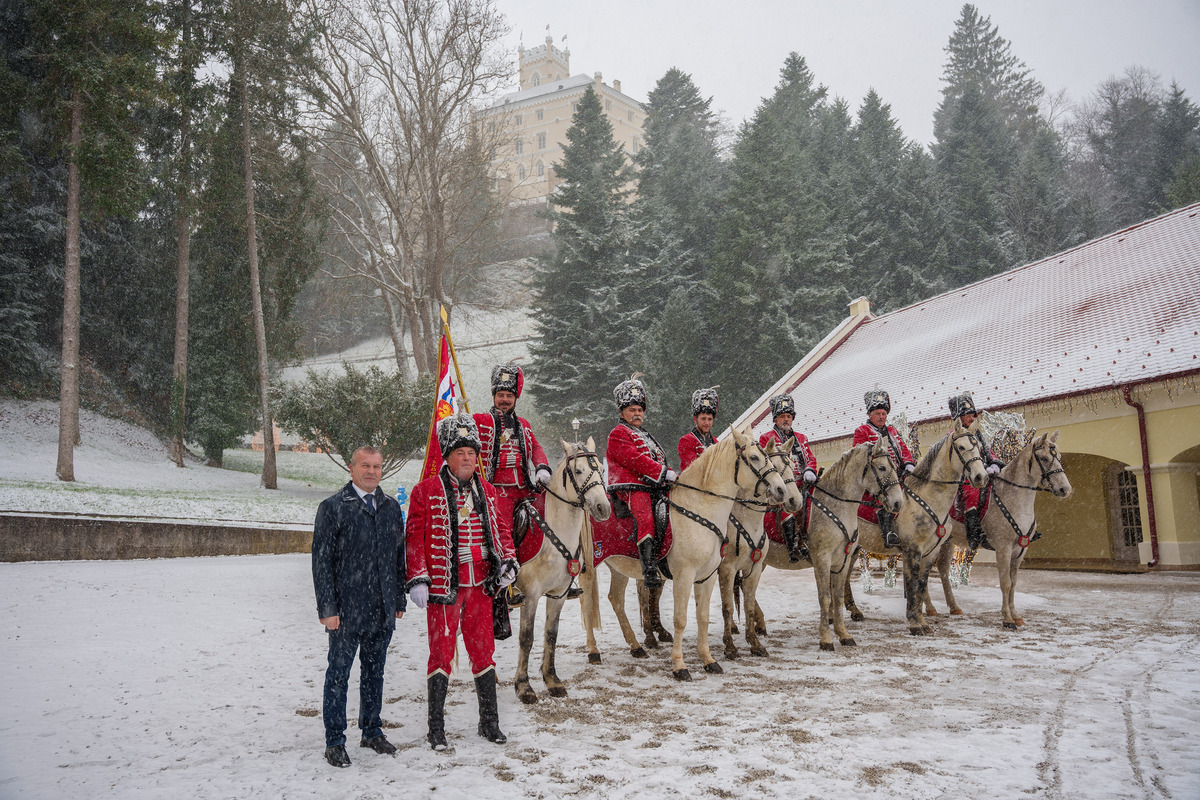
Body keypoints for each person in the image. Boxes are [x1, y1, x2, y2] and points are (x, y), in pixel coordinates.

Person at [405, 412, 519, 751]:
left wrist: (507, 560)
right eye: (461, 453)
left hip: (482, 587)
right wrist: (418, 578)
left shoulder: (486, 489)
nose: (467, 458)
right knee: (440, 654)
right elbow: (413, 537)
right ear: (448, 456)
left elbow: (502, 531)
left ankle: (489, 722)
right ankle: (436, 729)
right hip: (443, 589)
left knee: (484, 653)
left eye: (472, 453)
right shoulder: (426, 491)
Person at [311, 445, 406, 768]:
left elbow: (398, 558)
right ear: (351, 469)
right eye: (365, 466)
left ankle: (372, 730)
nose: (371, 472)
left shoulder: (391, 507)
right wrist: (328, 608)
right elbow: (321, 563)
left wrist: (399, 599)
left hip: (381, 608)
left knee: (374, 673)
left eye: (377, 466)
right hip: (345, 611)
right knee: (338, 675)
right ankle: (335, 740)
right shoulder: (333, 507)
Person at [473, 363, 551, 606]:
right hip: (497, 491)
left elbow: (536, 448)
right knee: (503, 528)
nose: (504, 400)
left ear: (515, 398)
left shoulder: (524, 425)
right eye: (500, 395)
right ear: (494, 397)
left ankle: (558, 571)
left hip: (525, 488)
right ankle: (506, 582)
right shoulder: (481, 420)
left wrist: (542, 467)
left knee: (555, 514)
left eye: (508, 396)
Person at [607, 377, 676, 589]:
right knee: (644, 514)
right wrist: (663, 473)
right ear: (622, 413)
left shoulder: (645, 434)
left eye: (639, 409)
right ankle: (649, 569)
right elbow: (634, 460)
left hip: (654, 485)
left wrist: (674, 475)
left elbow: (660, 460)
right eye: (632, 410)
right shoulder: (618, 432)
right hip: (630, 486)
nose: (637, 413)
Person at [759, 394, 818, 561]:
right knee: (788, 505)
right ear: (775, 419)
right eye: (782, 416)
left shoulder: (801, 438)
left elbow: (810, 458)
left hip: (804, 482)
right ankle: (793, 546)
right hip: (781, 485)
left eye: (789, 416)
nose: (786, 419)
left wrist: (810, 470)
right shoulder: (766, 438)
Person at [853, 390, 915, 548]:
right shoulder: (862, 431)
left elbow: (903, 449)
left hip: (896, 476)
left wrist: (908, 463)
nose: (881, 417)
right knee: (887, 494)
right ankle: (888, 533)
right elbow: (859, 456)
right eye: (878, 413)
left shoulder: (892, 431)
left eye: (883, 413)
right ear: (870, 414)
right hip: (875, 478)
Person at [948, 392, 1005, 550]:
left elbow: (988, 453)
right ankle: (973, 533)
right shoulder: (953, 436)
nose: (972, 418)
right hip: (964, 476)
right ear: (959, 418)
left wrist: (994, 464)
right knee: (971, 491)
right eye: (968, 416)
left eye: (973, 415)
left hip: (984, 473)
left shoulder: (978, 435)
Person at [678, 387, 721, 471]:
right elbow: (693, 469)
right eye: (703, 418)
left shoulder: (716, 442)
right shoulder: (686, 441)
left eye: (710, 419)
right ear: (695, 419)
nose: (707, 423)